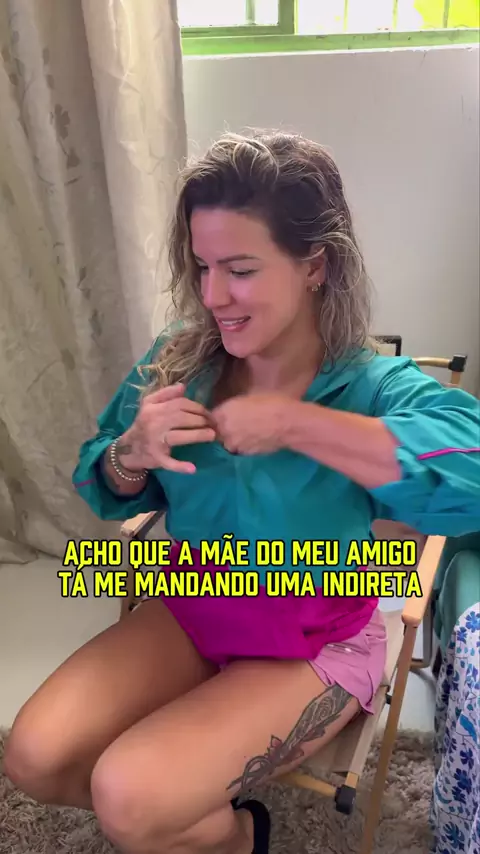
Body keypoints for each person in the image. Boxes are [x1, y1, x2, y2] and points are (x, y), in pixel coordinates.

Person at [4, 130, 480, 854]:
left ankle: (239, 837)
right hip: (197, 605)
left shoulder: (374, 386)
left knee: (129, 795)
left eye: (241, 269)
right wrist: (132, 454)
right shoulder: (180, 359)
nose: (212, 295)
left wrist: (299, 424)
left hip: (313, 640)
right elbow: (104, 479)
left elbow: (470, 470)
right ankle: (193, 810)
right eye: (202, 266)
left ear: (315, 265)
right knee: (34, 759)